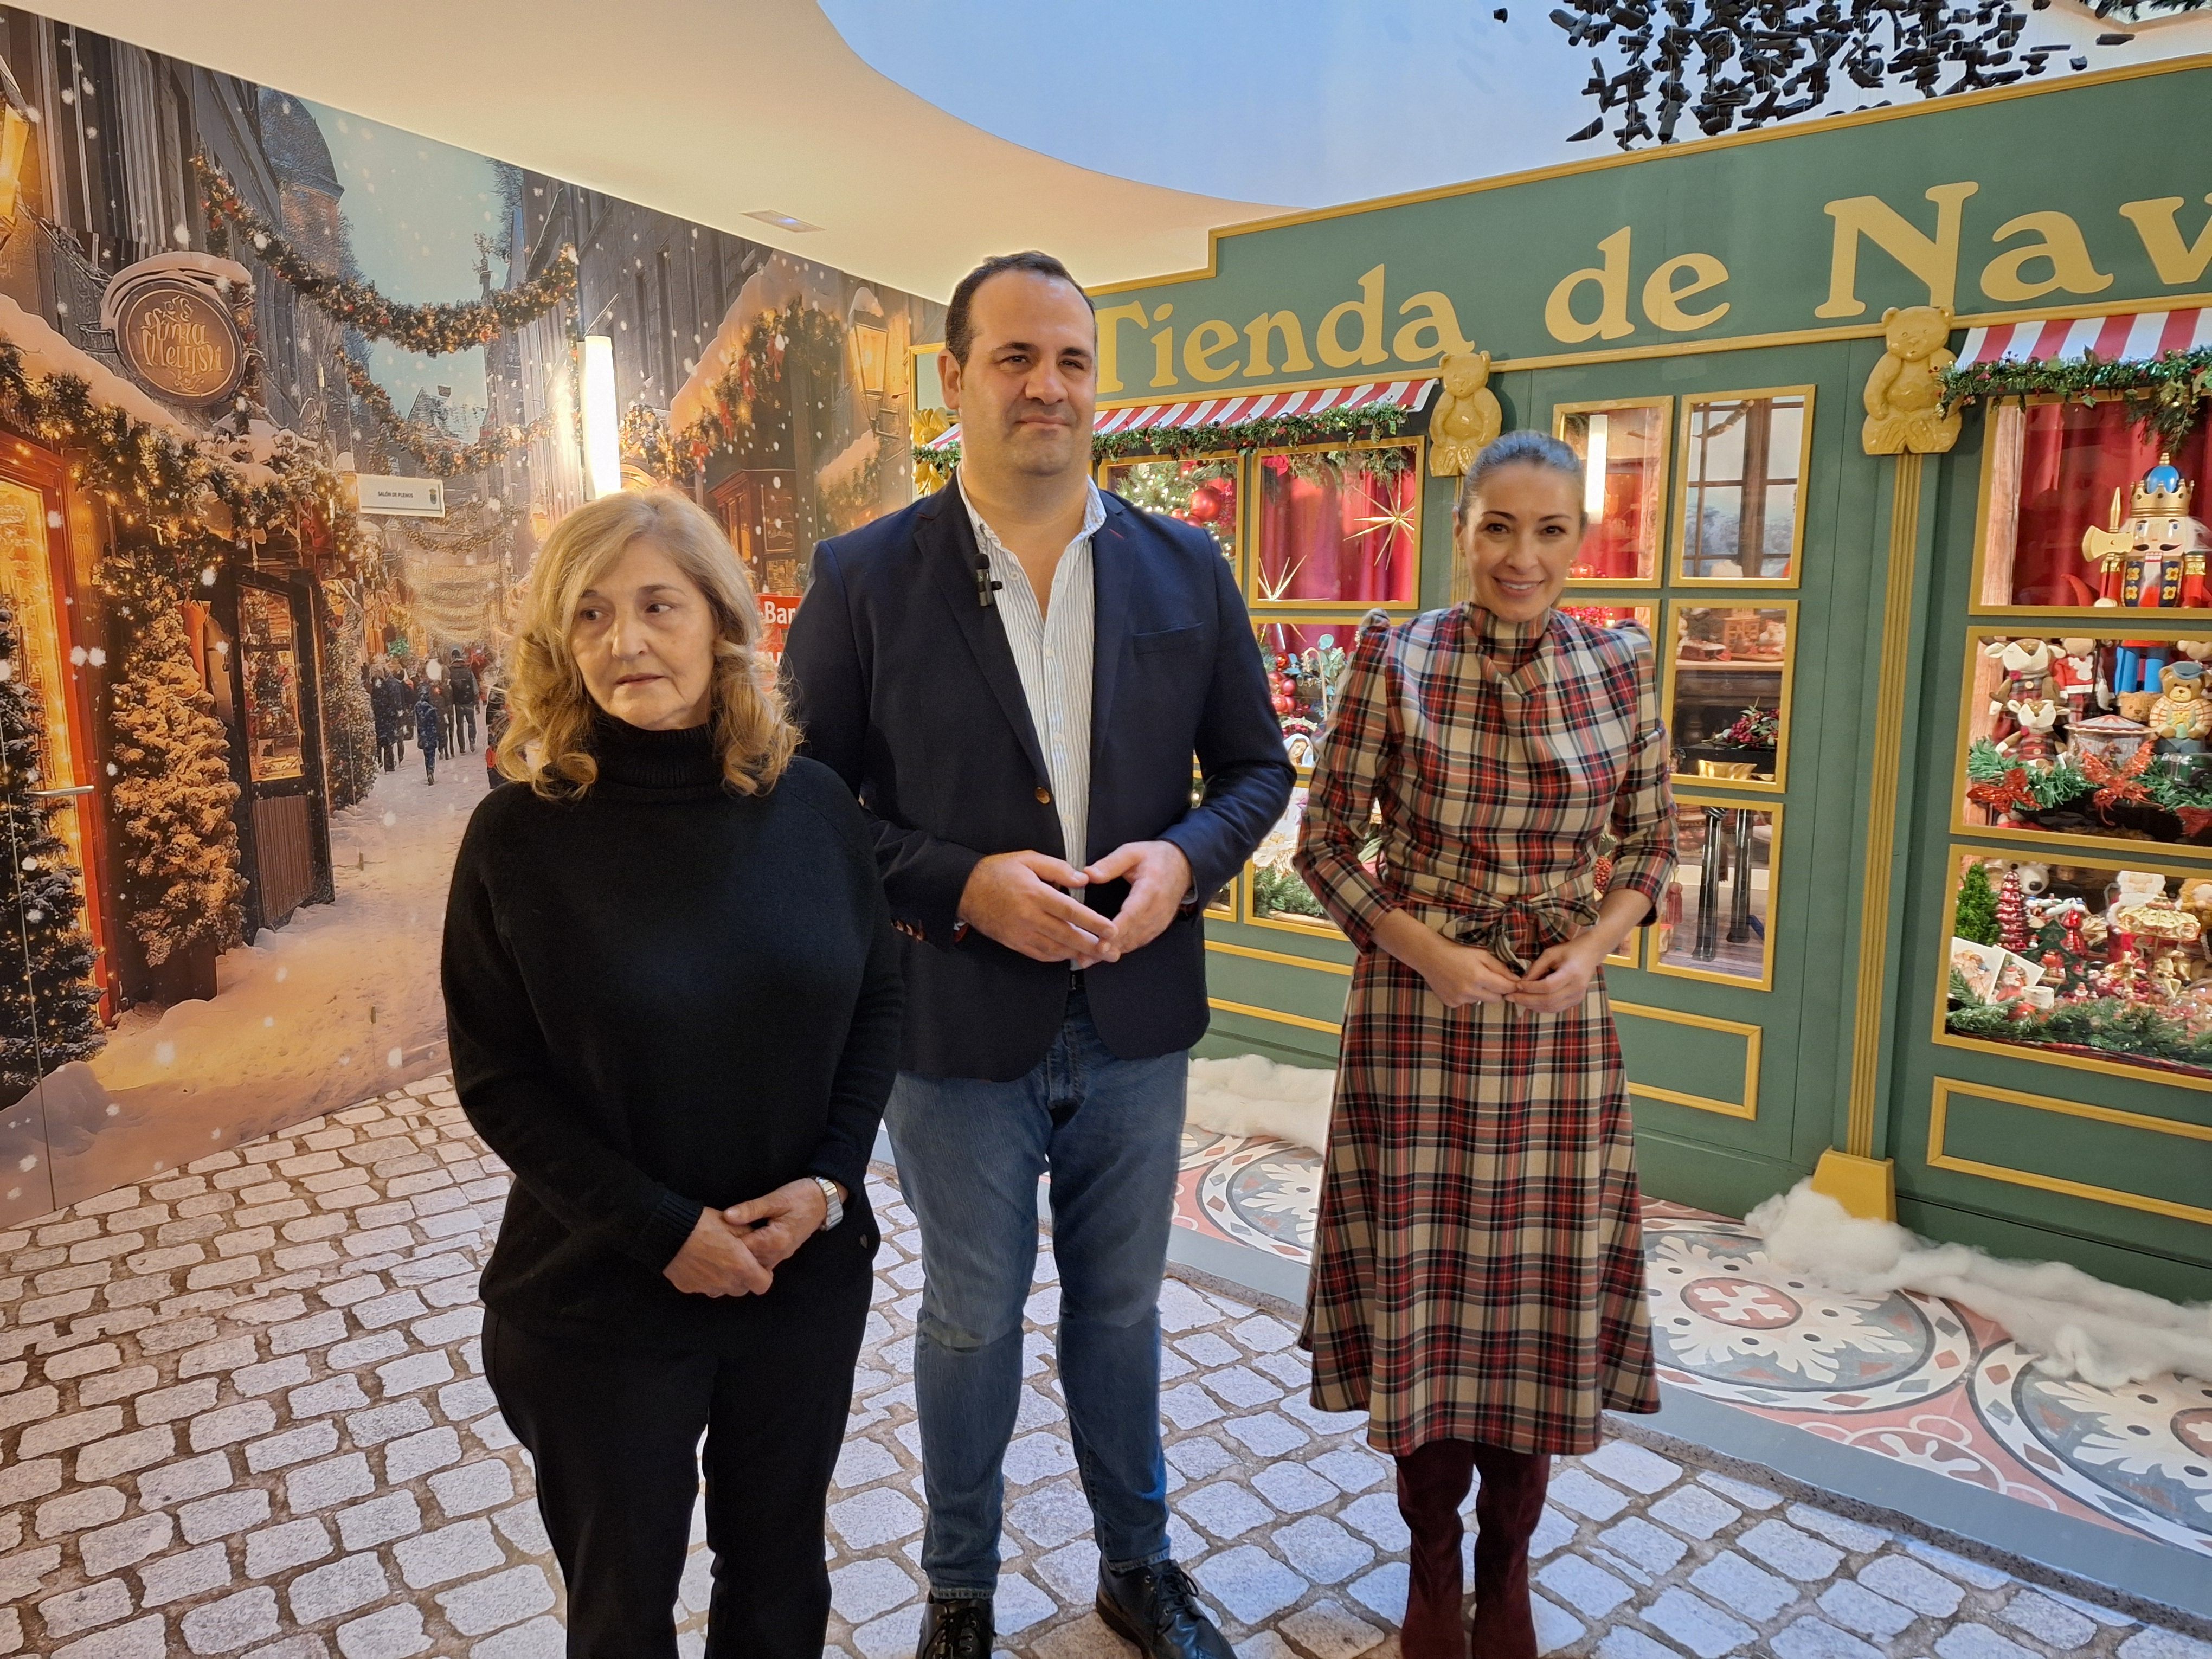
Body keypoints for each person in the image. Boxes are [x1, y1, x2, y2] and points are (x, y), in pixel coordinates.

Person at [785, 251, 1291, 1659]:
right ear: (954, 381)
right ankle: (961, 1589)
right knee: (971, 1314)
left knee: (1122, 1311)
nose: (1046, 385)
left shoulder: (1187, 565)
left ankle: (1141, 1564)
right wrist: (961, 886)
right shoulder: (866, 575)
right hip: (953, 1032)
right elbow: (804, 805)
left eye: (1070, 359)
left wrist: (1187, 858)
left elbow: (1255, 770)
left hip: (1139, 1018)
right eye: (1014, 357)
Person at [442, 488, 899, 1656]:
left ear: (721, 623)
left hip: (798, 1281)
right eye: (590, 616)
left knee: (781, 1586)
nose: (625, 641)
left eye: (657, 605)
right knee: (623, 1611)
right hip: (598, 1300)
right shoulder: (520, 838)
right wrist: (661, 1230)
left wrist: (833, 1185)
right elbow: (498, 1080)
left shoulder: (815, 809)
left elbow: (876, 1006)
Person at [1291, 431, 1677, 1659]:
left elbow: (1648, 847)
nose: (1523, 556)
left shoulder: (1618, 662)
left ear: (1579, 537)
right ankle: (1427, 1559)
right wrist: (1423, 952)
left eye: (1549, 530)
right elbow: (1321, 847)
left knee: (1531, 1309)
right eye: (1497, 528)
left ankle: (1505, 1566)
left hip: (1557, 1037)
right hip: (1418, 1025)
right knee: (1427, 1298)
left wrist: (1597, 944)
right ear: (1456, 529)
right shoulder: (1392, 657)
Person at [449, 647, 480, 753]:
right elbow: (475, 686)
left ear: (453, 657)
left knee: (460, 726)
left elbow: (449, 687)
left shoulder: (451, 671)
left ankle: (462, 747)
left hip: (458, 702)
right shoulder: (468, 669)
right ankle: (472, 742)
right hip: (469, 701)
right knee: (471, 722)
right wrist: (476, 697)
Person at [370, 667, 401, 772]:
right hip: (386, 720)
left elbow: (374, 704)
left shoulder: (373, 688)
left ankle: (379, 762)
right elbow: (391, 702)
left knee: (379, 742)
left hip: (378, 720)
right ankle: (389, 765)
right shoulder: (386, 686)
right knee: (388, 744)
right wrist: (393, 715)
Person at [414, 675, 441, 785]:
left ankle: (428, 772)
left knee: (426, 755)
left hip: (423, 735)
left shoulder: (417, 708)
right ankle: (431, 770)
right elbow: (436, 722)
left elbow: (417, 722)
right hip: (432, 735)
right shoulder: (432, 709)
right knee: (432, 755)